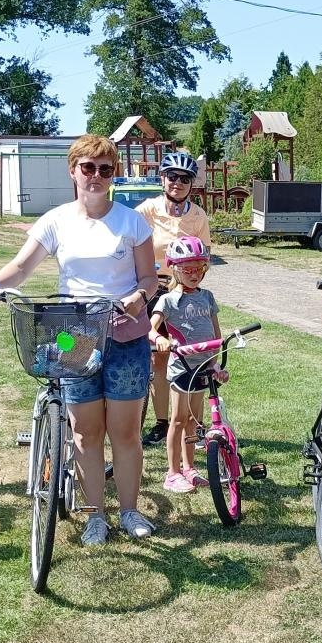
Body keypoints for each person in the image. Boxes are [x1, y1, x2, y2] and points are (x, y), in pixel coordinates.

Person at [0, 134, 159, 544]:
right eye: (87, 167)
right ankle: (95, 515)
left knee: (125, 433)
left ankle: (129, 511)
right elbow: (21, 267)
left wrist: (138, 296)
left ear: (115, 174)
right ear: (73, 170)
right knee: (84, 432)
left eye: (105, 169)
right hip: (75, 337)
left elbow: (150, 277)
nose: (95, 176)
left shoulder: (132, 222)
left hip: (125, 334)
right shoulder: (55, 220)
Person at [136, 150, 211, 448]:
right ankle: (162, 422)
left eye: (184, 179)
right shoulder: (147, 211)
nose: (177, 183)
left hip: (183, 293)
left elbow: (203, 254)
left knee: (193, 353)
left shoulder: (198, 216)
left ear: (192, 184)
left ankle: (194, 422)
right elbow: (131, 247)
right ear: (162, 179)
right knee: (159, 356)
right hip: (154, 290)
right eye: (172, 177)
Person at [149, 235, 222, 493]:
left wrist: (215, 366)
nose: (193, 274)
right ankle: (172, 472)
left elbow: (216, 336)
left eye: (199, 268)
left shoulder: (208, 297)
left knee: (194, 421)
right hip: (182, 368)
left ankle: (189, 468)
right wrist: (159, 339)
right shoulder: (168, 300)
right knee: (178, 420)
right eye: (187, 268)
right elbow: (151, 328)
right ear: (174, 268)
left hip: (203, 369)